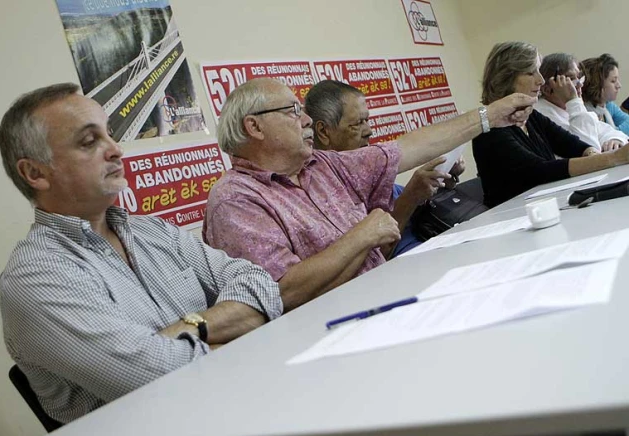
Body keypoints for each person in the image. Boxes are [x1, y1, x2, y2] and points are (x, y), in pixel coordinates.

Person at [0, 83, 283, 423]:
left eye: (110, 134)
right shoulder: (34, 278)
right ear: (35, 173)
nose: (116, 149)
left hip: (241, 404)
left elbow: (260, 283)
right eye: (90, 141)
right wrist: (235, 329)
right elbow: (160, 379)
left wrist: (188, 329)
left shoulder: (149, 230)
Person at [203, 77, 535, 311]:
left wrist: (487, 117)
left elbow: (407, 148)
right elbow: (281, 292)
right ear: (255, 127)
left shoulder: (323, 165)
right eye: (291, 110)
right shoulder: (235, 201)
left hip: (391, 299)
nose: (305, 119)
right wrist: (363, 235)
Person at [304, 79, 464, 256]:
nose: (369, 131)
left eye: (367, 120)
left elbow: (419, 213)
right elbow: (373, 257)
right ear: (324, 132)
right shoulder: (326, 194)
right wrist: (411, 196)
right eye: (357, 124)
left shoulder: (373, 171)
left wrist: (441, 179)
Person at [472, 42, 629, 208]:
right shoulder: (488, 129)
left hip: (544, 208)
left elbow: (571, 143)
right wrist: (613, 158)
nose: (540, 80)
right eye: (531, 73)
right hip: (512, 216)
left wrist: (592, 153)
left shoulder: (530, 115)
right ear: (507, 77)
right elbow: (541, 171)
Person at [535, 53, 628, 152]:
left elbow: (606, 130)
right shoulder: (541, 115)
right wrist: (573, 101)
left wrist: (615, 139)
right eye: (570, 79)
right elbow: (588, 150)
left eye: (579, 78)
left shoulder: (568, 107)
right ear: (547, 89)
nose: (579, 84)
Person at [580, 54, 629, 136]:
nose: (619, 85)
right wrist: (616, 135)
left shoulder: (608, 105)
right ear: (597, 84)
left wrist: (616, 133)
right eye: (613, 81)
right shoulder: (584, 115)